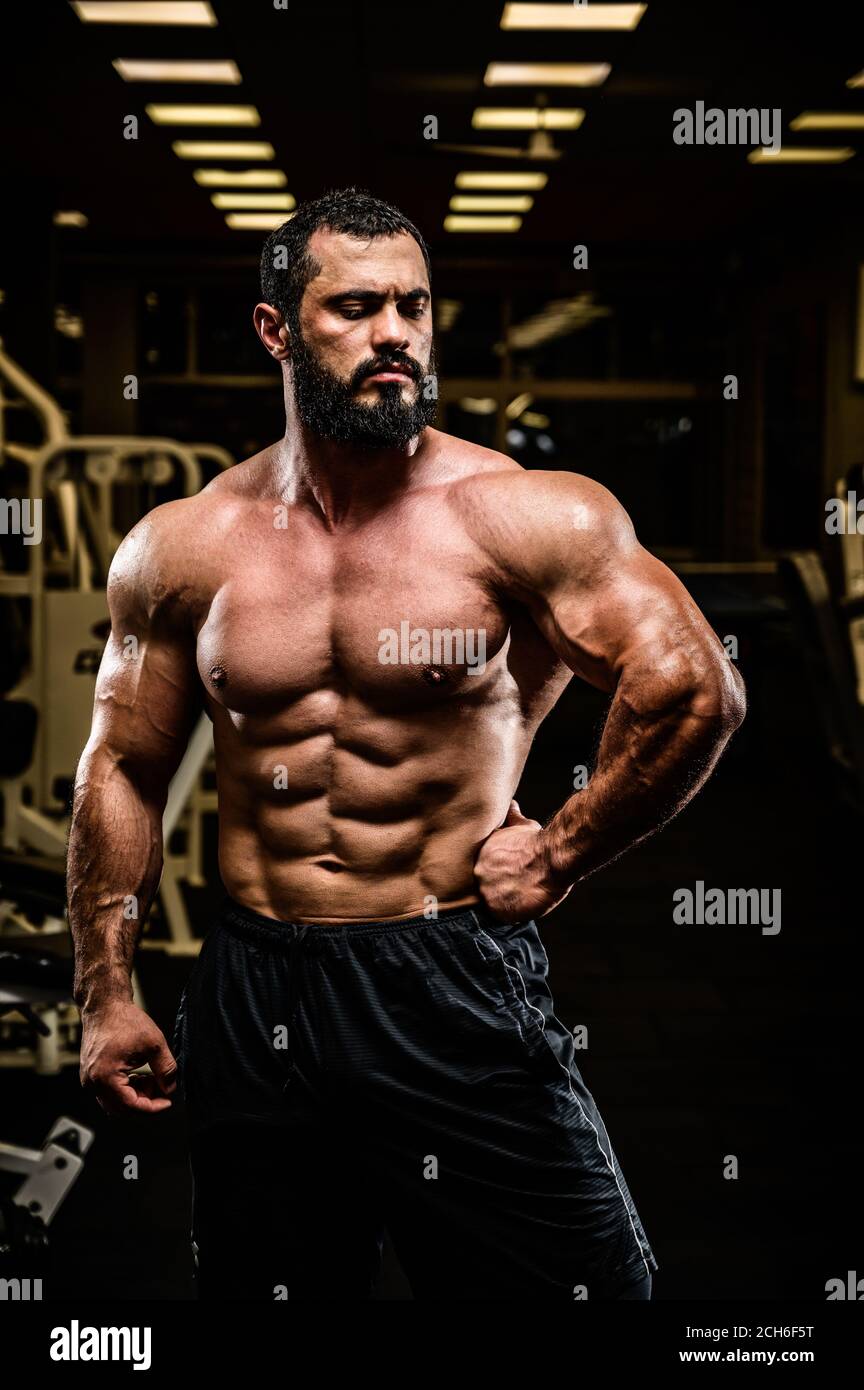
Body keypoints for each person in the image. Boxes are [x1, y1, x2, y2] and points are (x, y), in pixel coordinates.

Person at [68, 187, 745, 1301]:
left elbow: (694, 688)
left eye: (414, 308)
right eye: (356, 307)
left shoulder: (523, 515)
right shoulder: (183, 545)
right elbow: (123, 766)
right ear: (277, 329)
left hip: (446, 977)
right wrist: (106, 990)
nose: (395, 334)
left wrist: (564, 850)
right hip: (255, 982)